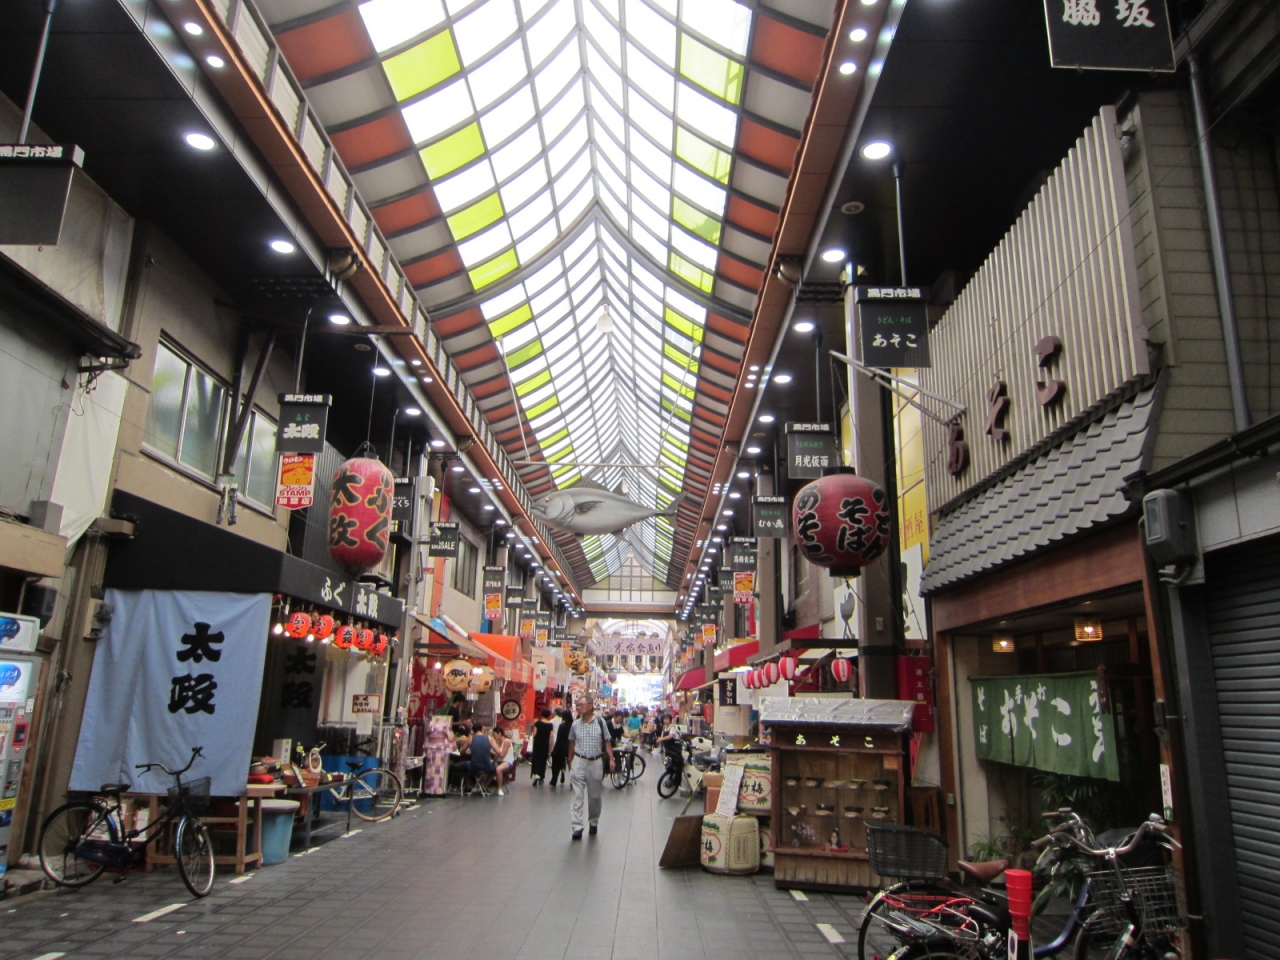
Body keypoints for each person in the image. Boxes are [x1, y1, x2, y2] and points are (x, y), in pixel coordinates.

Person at [566, 698, 615, 840]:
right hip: (579, 761)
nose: (579, 707)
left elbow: (607, 741)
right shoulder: (575, 724)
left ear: (590, 706)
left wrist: (611, 758)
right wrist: (570, 759)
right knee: (577, 795)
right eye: (578, 705)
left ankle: (593, 821)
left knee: (594, 796)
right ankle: (577, 826)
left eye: (581, 705)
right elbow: (572, 742)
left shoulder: (600, 722)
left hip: (595, 762)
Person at [422, 711, 456, 797]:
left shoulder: (431, 724)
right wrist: (450, 747)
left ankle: (429, 790)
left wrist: (425, 747)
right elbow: (450, 736)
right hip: (440, 747)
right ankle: (437, 791)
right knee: (437, 770)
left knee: (430, 769)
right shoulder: (445, 724)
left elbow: (427, 736)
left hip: (430, 747)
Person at [467, 721, 496, 795]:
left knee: (463, 766)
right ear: (481, 729)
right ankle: (483, 785)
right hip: (487, 766)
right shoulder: (489, 738)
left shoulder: (470, 738)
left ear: (473, 730)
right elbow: (498, 751)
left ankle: (468, 785)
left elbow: (462, 751)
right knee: (495, 767)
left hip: (474, 766)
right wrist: (494, 761)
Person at [529, 709, 554, 786]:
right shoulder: (550, 725)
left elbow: (534, 733)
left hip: (537, 744)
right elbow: (551, 736)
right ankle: (541, 777)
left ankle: (536, 774)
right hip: (545, 744)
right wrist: (551, 747)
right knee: (543, 760)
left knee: (536, 759)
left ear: (541, 714)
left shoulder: (538, 723)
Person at [549, 708, 572, 787]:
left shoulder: (562, 726)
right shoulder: (574, 725)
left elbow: (559, 738)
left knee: (556, 762)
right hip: (571, 747)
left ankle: (554, 779)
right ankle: (572, 781)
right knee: (572, 765)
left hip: (561, 746)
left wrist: (555, 748)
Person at [491, 726, 516, 796]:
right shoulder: (498, 742)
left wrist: (492, 752)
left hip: (507, 761)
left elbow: (502, 755)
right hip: (499, 761)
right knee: (488, 766)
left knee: (498, 769)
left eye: (494, 734)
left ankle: (500, 788)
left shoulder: (506, 742)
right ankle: (484, 785)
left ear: (499, 733)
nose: (494, 736)